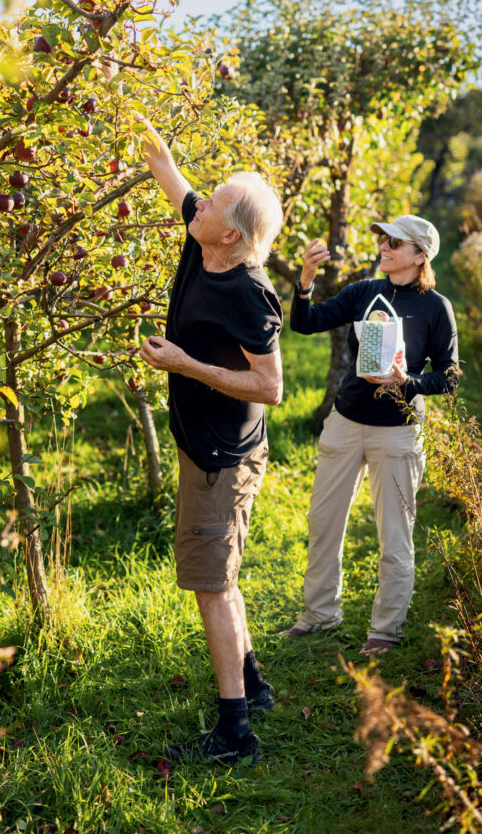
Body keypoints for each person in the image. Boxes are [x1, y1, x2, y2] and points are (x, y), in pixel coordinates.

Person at [135, 114, 284, 765]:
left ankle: (234, 734)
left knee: (210, 584)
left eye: (214, 198)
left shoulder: (247, 293)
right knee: (219, 575)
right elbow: (169, 174)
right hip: (209, 447)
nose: (199, 199)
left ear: (230, 232)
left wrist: (185, 366)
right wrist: (136, 120)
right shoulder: (205, 237)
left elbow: (270, 387)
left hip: (222, 455)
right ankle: (251, 687)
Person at [287, 216, 458, 654]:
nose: (384, 246)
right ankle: (320, 614)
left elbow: (450, 375)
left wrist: (409, 382)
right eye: (384, 240)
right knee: (324, 523)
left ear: (420, 255)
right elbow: (305, 324)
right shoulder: (365, 291)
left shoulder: (435, 307)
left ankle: (385, 628)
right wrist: (305, 281)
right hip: (346, 423)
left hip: (397, 433)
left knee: (394, 536)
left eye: (395, 242)